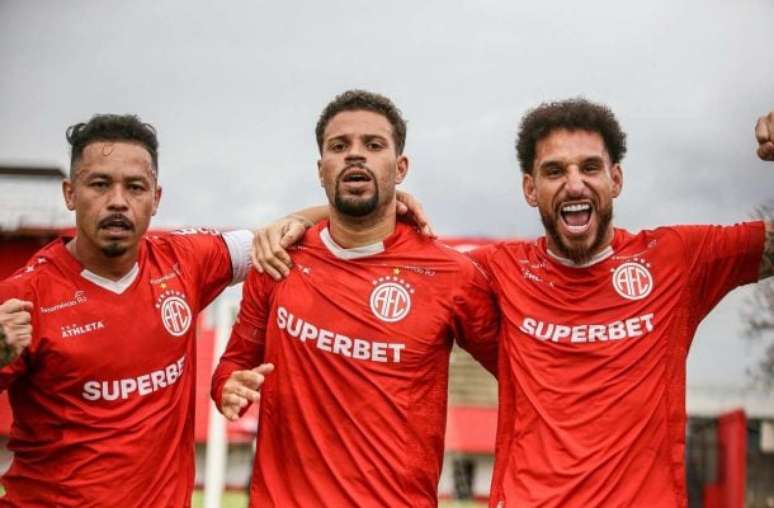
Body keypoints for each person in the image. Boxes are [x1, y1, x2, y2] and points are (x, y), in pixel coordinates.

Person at [256, 102, 774, 507]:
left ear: (615, 180)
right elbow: (381, 246)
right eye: (554, 171)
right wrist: (307, 216)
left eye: (590, 167)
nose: (574, 182)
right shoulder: (495, 269)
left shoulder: (676, 258)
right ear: (530, 188)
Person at [211, 89, 500, 507]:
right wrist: (228, 387)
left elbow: (520, 377)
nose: (355, 154)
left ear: (400, 168)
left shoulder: (451, 275)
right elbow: (233, 366)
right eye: (339, 146)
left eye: (374, 144)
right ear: (321, 170)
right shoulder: (278, 259)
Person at [0, 114, 261, 507]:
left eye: (135, 187)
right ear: (70, 194)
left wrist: (370, 218)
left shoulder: (184, 261)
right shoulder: (22, 298)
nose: (118, 201)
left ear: (156, 198)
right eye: (100, 184)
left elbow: (280, 238)